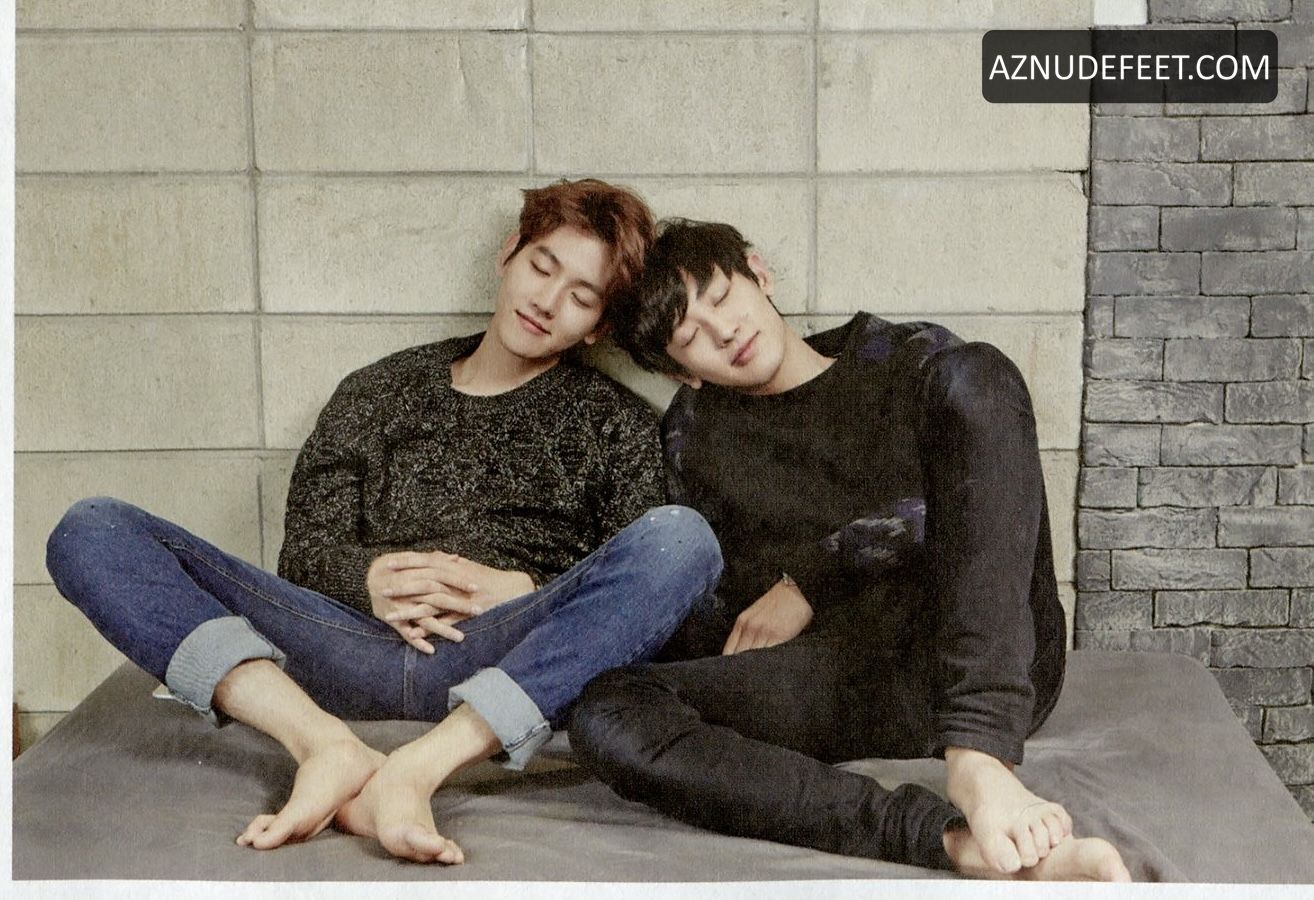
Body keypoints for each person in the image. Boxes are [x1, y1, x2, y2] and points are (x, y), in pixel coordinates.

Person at [44, 180, 722, 865]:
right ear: (508, 255)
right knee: (91, 528)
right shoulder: (378, 390)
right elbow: (303, 554)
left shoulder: (614, 422)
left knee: (682, 538)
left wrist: (523, 589)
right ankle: (323, 745)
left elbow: (638, 608)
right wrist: (366, 579)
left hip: (507, 652)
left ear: (599, 326)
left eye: (581, 296)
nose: (547, 301)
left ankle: (418, 769)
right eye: (542, 267)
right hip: (343, 646)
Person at [569, 219, 1132, 882]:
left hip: (980, 654)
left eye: (722, 297)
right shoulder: (693, 437)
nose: (723, 332)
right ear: (680, 372)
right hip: (849, 676)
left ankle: (981, 759)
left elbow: (980, 502)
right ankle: (946, 841)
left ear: (759, 273)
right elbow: (709, 594)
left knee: (981, 373)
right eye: (690, 337)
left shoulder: (909, 359)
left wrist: (810, 578)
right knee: (607, 710)